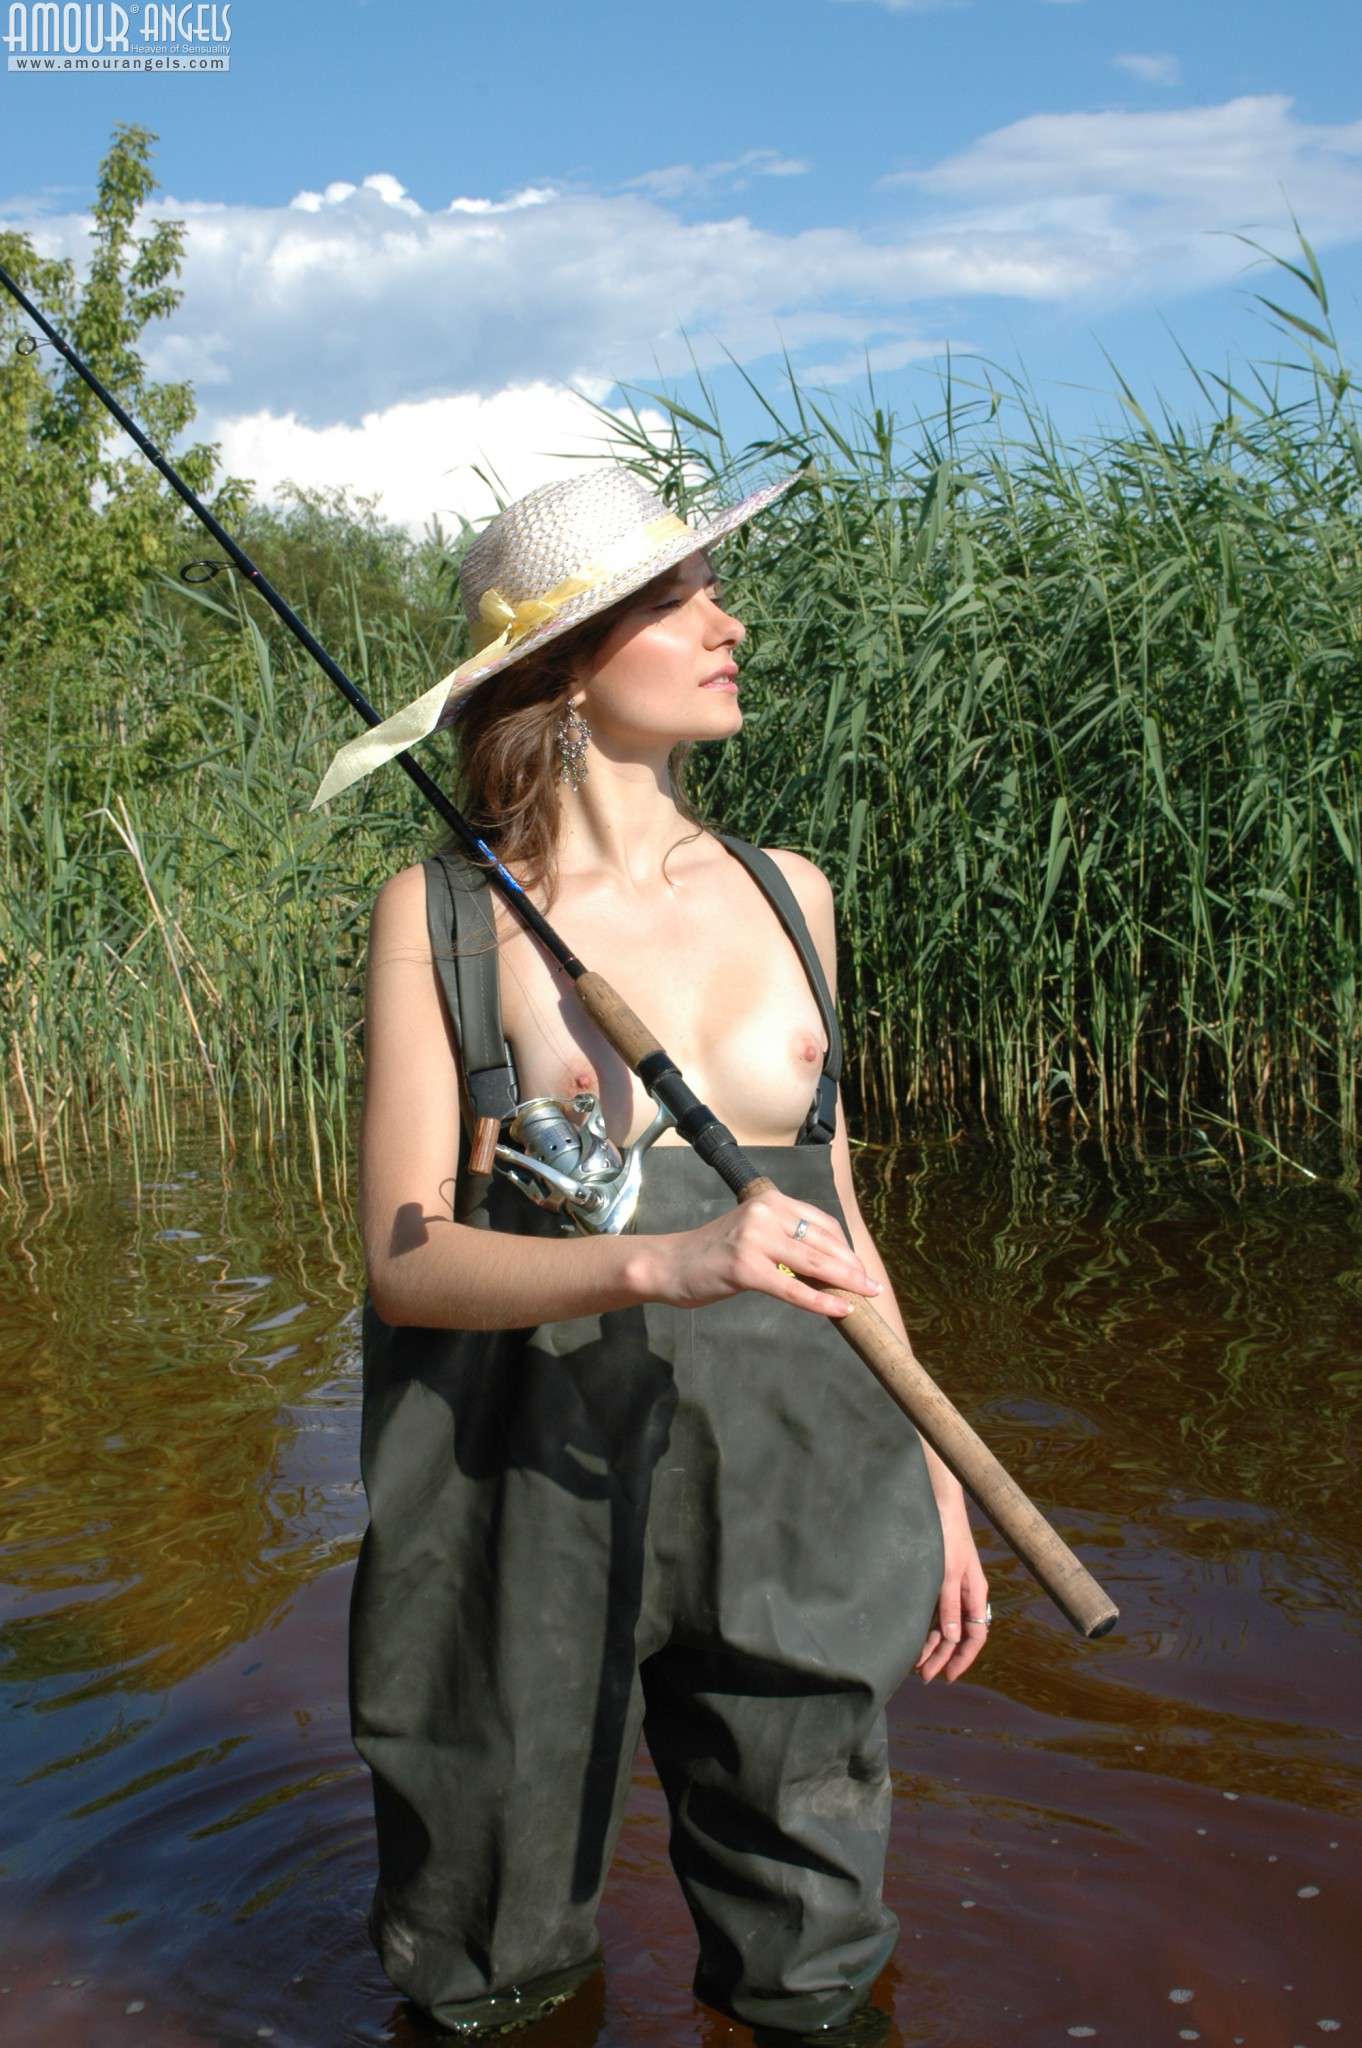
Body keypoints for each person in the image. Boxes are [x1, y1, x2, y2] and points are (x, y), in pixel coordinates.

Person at [329, 465, 990, 2041]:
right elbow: (408, 1263)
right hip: (519, 1461)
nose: (727, 624)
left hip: (802, 1455)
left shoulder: (791, 894)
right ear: (565, 667)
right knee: (492, 1941)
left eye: (712, 592)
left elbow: (833, 1213)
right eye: (678, 601)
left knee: (813, 1944)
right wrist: (661, 1263)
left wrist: (935, 1463)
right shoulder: (439, 914)